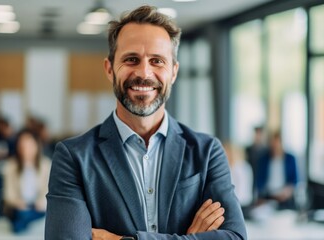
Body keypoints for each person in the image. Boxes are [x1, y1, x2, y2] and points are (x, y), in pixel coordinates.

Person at [45, 5, 246, 240]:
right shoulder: (73, 157)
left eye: (157, 61)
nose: (144, 72)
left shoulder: (207, 152)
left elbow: (235, 237)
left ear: (173, 71)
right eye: (131, 59)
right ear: (110, 69)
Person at [2, 129, 51, 233]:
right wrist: (18, 203)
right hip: (18, 207)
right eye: (22, 145)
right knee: (21, 214)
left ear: (36, 146)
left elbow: (48, 189)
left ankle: (19, 224)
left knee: (23, 218)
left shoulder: (46, 165)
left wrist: (41, 201)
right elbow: (8, 194)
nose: (25, 149)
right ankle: (21, 223)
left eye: (29, 145)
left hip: (38, 207)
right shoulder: (11, 166)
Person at [256, 131, 298, 210]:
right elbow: (259, 180)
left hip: (285, 198)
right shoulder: (263, 159)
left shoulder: (290, 159)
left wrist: (288, 191)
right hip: (268, 197)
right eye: (273, 143)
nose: (275, 146)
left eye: (277, 143)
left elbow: (295, 180)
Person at [224, 142, 253, 219]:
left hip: (242, 205)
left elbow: (242, 190)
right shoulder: (227, 167)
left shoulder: (243, 167)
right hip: (231, 205)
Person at [245, 126, 268, 200]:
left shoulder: (267, 151)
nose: (258, 136)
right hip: (251, 175)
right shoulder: (248, 149)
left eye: (259, 134)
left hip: (262, 178)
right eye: (256, 134)